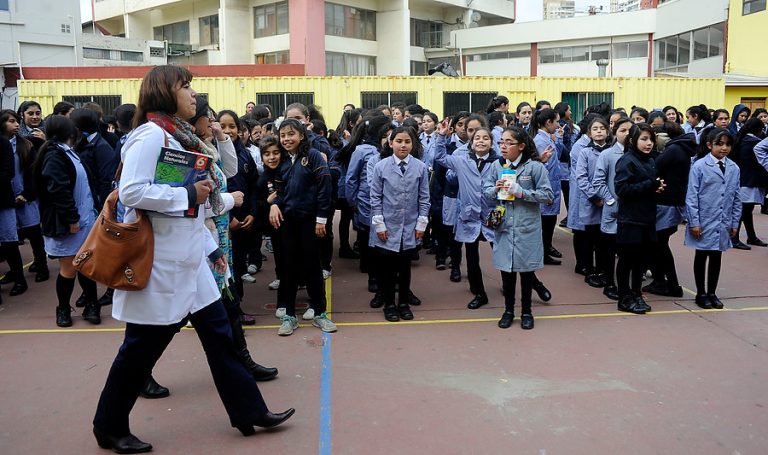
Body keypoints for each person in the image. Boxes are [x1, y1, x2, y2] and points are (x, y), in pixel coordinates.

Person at [92, 66, 294, 453]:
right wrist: (189, 195)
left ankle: (250, 411)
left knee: (221, 338)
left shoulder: (179, 136)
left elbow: (194, 201)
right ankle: (109, 426)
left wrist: (208, 239)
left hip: (191, 260)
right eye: (185, 86)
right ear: (164, 93)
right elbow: (132, 192)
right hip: (160, 265)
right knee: (139, 350)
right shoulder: (150, 136)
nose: (193, 93)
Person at [269, 118, 336, 336]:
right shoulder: (282, 160)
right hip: (287, 222)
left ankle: (319, 312)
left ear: (301, 135)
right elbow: (279, 191)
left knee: (312, 266)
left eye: (291, 134)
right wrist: (275, 205)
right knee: (288, 267)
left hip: (310, 221)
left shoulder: (313, 156)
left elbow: (324, 187)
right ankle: (289, 316)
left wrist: (321, 219)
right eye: (283, 135)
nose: (286, 139)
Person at [483, 127, 554, 330]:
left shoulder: (535, 167)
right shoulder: (497, 165)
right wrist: (495, 188)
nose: (503, 146)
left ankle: (526, 312)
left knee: (526, 272)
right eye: (501, 142)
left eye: (509, 143)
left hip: (526, 227)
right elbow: (486, 190)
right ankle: (508, 311)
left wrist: (521, 192)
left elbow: (548, 195)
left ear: (521, 146)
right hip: (505, 225)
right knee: (506, 271)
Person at [33, 115, 100, 326]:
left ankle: (92, 304)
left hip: (86, 220)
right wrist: (72, 219)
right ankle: (63, 308)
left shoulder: (68, 152)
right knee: (69, 268)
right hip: (71, 223)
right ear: (69, 131)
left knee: (86, 265)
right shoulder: (55, 155)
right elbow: (58, 190)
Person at [434, 122, 500, 310]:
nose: (481, 141)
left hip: (493, 214)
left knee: (502, 251)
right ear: (471, 142)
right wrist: (441, 136)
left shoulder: (499, 162)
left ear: (492, 142)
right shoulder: (462, 161)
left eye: (485, 138)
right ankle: (479, 293)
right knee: (471, 257)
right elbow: (440, 157)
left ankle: (518, 283)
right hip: (469, 215)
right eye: (477, 138)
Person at [369, 126, 430, 322]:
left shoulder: (420, 167)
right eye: (399, 141)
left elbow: (424, 198)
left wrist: (421, 223)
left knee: (405, 266)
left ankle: (403, 302)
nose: (403, 145)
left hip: (410, 225)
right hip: (388, 225)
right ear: (390, 143)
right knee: (388, 267)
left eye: (407, 141)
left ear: (413, 144)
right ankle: (389, 304)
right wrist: (379, 224)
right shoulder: (381, 167)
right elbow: (375, 197)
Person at [685, 128, 741, 309]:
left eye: (728, 144)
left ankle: (712, 292)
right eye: (720, 144)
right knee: (701, 254)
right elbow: (692, 196)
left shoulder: (734, 168)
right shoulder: (699, 166)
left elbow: (736, 197)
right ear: (709, 145)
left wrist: (734, 223)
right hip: (704, 219)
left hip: (723, 220)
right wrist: (694, 222)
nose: (724, 148)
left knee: (717, 256)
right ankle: (701, 293)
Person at [614, 123, 664, 314]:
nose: (649, 143)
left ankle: (636, 293)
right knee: (627, 260)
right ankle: (624, 297)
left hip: (647, 218)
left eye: (651, 139)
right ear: (633, 141)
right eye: (644, 139)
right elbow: (622, 190)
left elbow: (647, 186)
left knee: (640, 262)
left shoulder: (649, 160)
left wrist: (656, 188)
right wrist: (650, 185)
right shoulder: (627, 161)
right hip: (630, 219)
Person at [642, 121, 693, 298]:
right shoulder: (682, 148)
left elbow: (654, 169)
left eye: (654, 138)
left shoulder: (673, 150)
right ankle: (663, 281)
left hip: (666, 204)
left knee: (659, 245)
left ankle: (669, 284)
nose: (652, 142)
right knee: (658, 244)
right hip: (673, 203)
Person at [0, 110, 48, 285]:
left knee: (33, 233)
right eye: (11, 121)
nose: (16, 125)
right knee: (10, 238)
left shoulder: (26, 145)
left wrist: (27, 194)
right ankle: (15, 271)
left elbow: (34, 173)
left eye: (16, 121)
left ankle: (41, 265)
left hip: (25, 196)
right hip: (6, 197)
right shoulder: (3, 144)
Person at [592, 117, 634, 301]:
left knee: (627, 251)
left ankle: (626, 285)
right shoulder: (607, 154)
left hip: (632, 210)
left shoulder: (637, 154)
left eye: (630, 130)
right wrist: (610, 200)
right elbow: (598, 181)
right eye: (622, 130)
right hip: (613, 210)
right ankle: (610, 283)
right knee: (609, 249)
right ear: (614, 132)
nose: (627, 134)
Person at [575, 117, 613, 288]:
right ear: (589, 133)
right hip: (591, 202)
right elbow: (581, 178)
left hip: (609, 202)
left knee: (604, 240)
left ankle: (603, 270)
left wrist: (607, 197)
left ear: (608, 131)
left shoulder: (612, 151)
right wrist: (595, 197)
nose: (599, 131)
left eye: (602, 128)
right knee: (589, 239)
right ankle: (589, 271)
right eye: (595, 129)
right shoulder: (585, 152)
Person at [530, 108, 563, 265]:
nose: (558, 125)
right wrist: (546, 192)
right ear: (548, 122)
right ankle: (543, 253)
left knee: (549, 222)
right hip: (548, 187)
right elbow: (543, 170)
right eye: (556, 122)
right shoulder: (541, 141)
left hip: (553, 186)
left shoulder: (547, 139)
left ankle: (546, 249)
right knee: (546, 224)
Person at [730, 118, 768, 249]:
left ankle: (751, 237)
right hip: (751, 181)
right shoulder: (754, 143)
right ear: (759, 130)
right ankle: (734, 238)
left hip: (743, 180)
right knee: (743, 211)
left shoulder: (741, 140)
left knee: (746, 211)